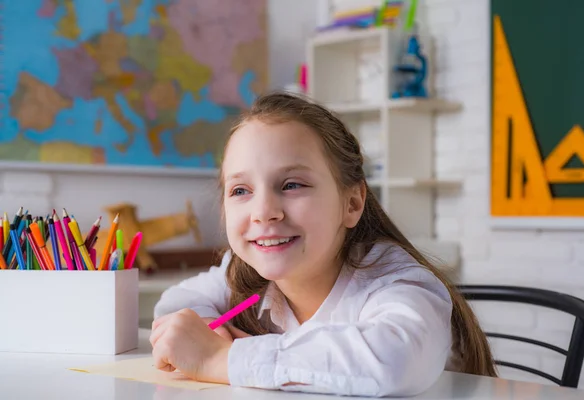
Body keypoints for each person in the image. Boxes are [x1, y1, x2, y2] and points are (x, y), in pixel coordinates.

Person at [150, 92, 497, 397]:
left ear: (352, 204)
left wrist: (219, 358)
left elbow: (395, 359)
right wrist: (215, 336)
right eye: (241, 191)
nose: (264, 212)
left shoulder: (396, 281)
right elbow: (177, 304)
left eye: (291, 185)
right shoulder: (242, 272)